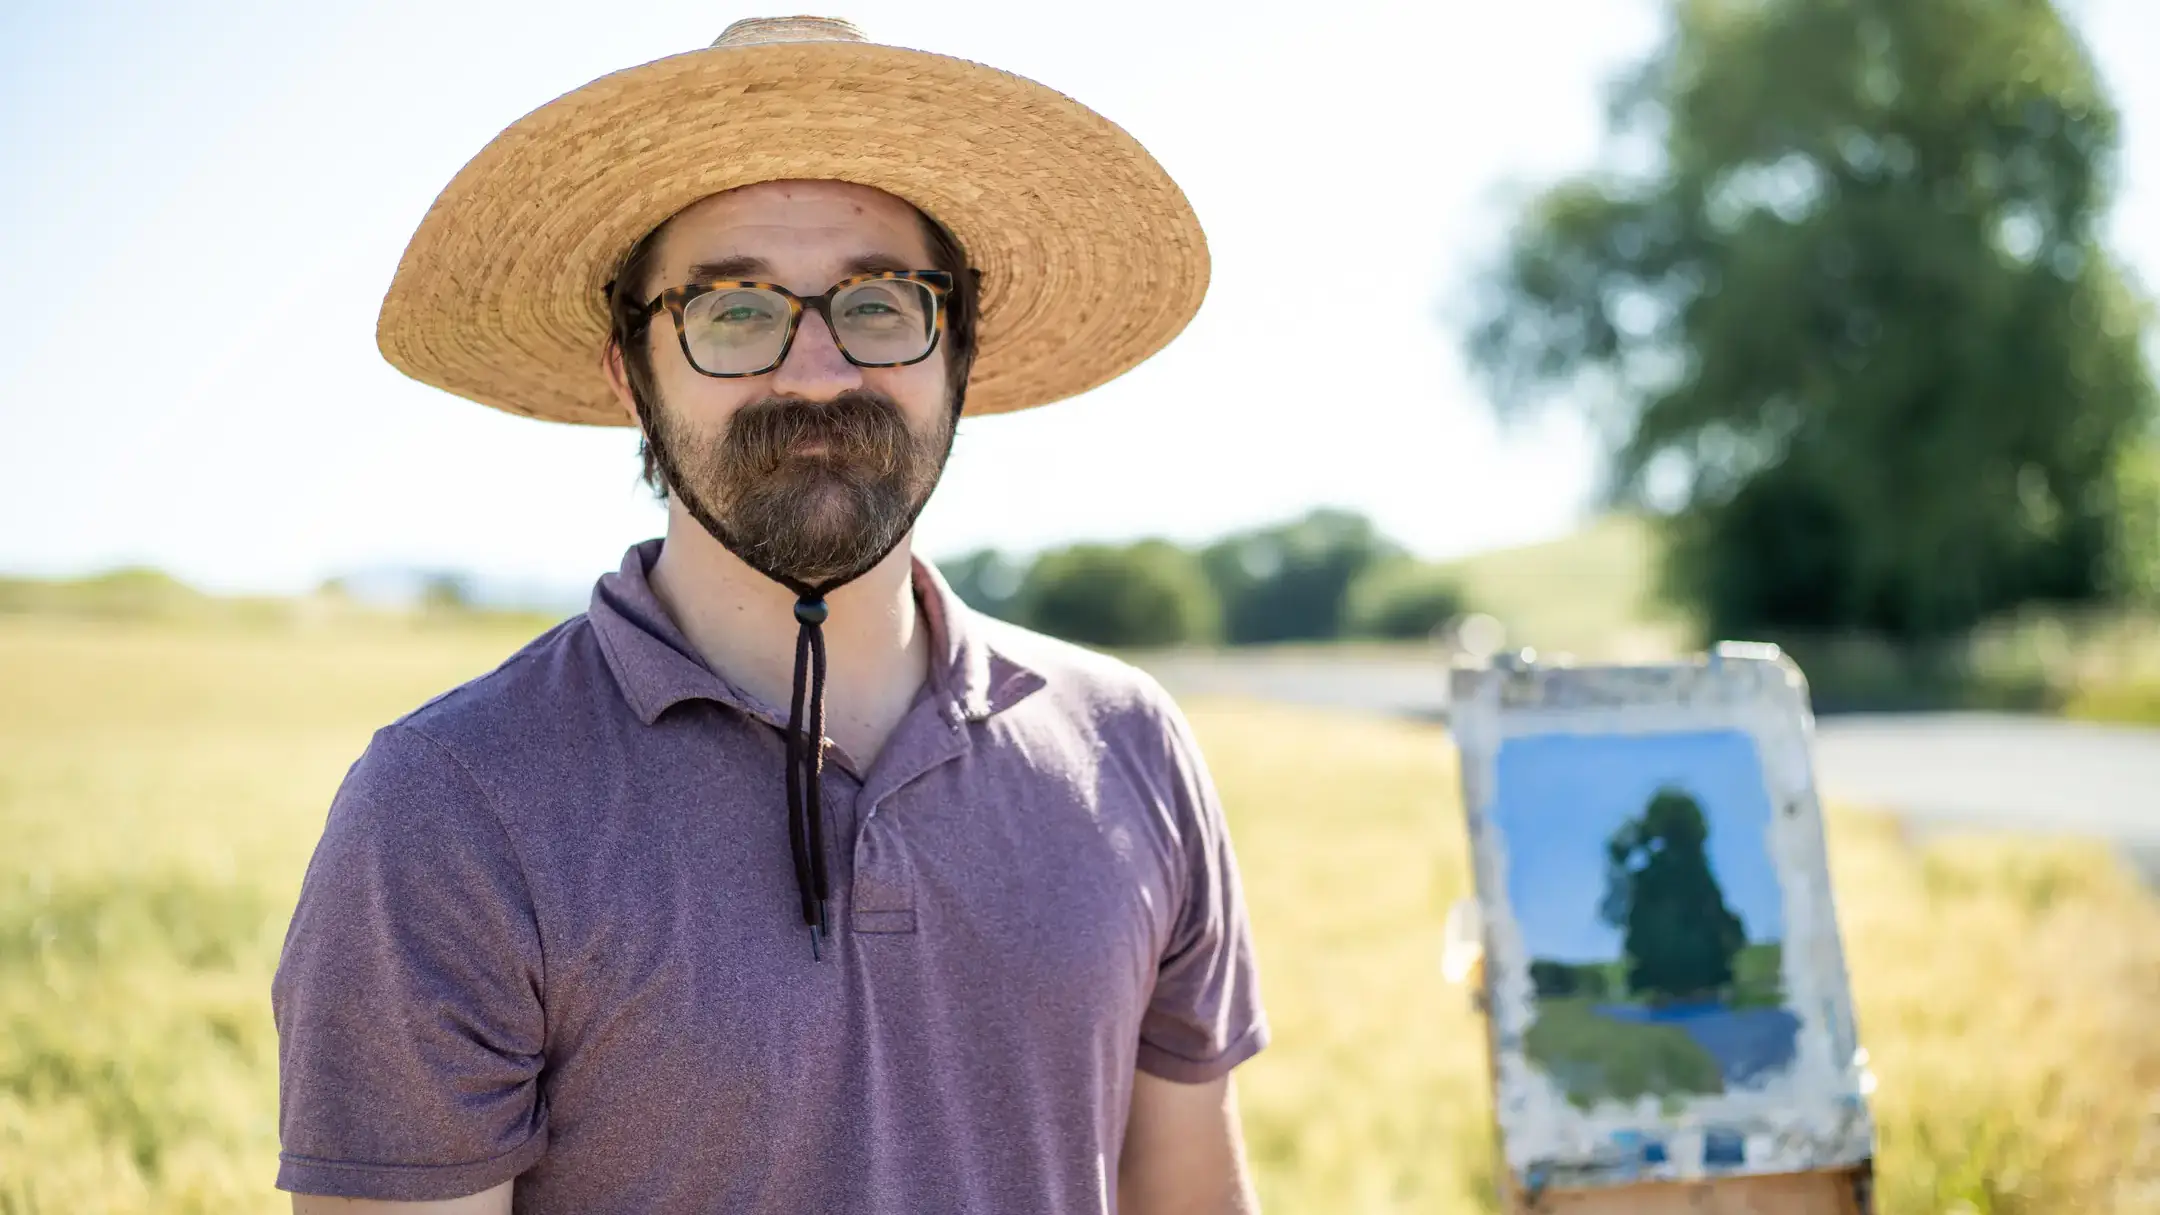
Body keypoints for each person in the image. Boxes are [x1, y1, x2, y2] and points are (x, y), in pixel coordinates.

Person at [272, 17, 1268, 1215]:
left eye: (881, 303)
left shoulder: (1129, 744)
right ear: (628, 375)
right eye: (734, 311)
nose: (815, 371)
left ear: (961, 351)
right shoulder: (449, 809)